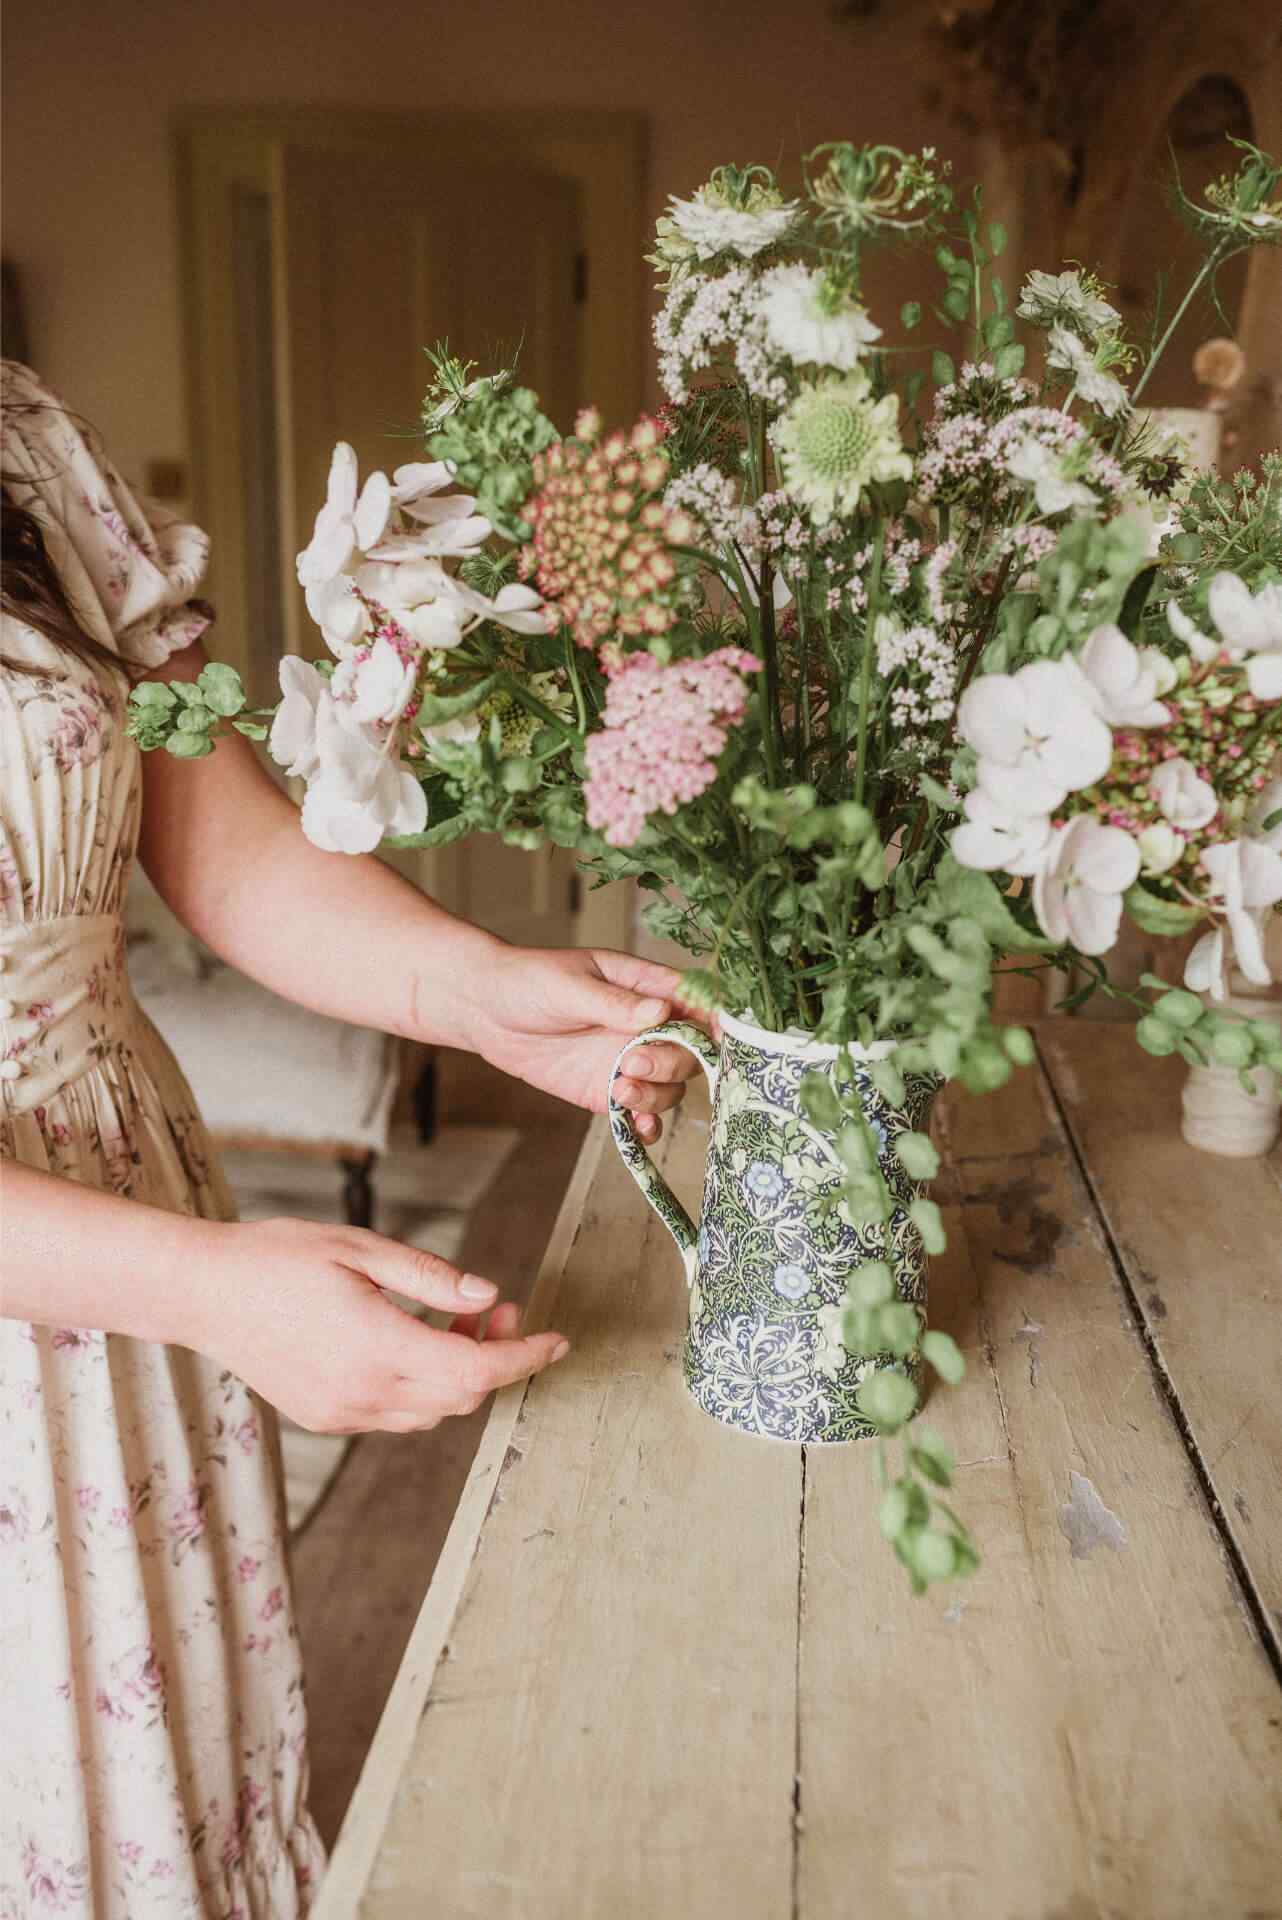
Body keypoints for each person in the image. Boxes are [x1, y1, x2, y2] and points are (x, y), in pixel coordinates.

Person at [0, 360, 701, 1919]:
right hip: (104, 1275)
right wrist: (211, 1288)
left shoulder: (24, 436)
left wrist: (479, 994)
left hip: (120, 1205)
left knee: (160, 1791)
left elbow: (210, 833)